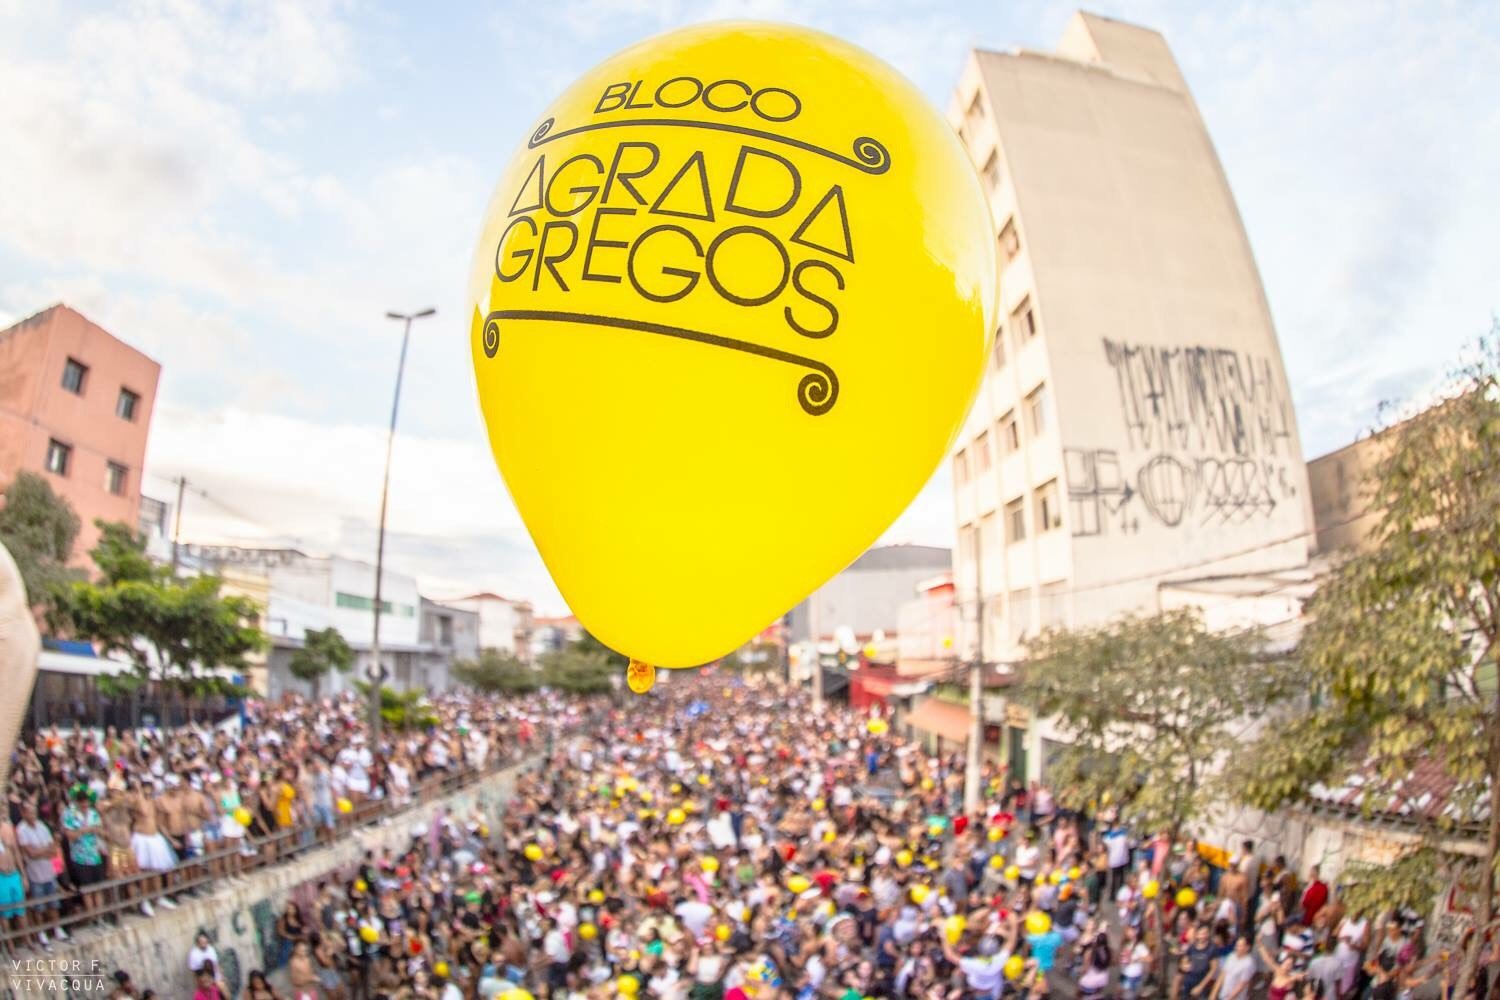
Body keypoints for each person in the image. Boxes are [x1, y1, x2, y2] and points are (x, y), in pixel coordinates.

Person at [16, 799, 68, 947]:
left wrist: (42, 851)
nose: (33, 814)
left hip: (48, 871)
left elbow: (52, 849)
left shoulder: (42, 826)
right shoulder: (21, 830)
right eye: (30, 812)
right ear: (24, 813)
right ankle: (42, 933)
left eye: (34, 811)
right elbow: (30, 853)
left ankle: (57, 929)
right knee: (39, 906)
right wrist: (44, 851)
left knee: (53, 903)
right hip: (35, 874)